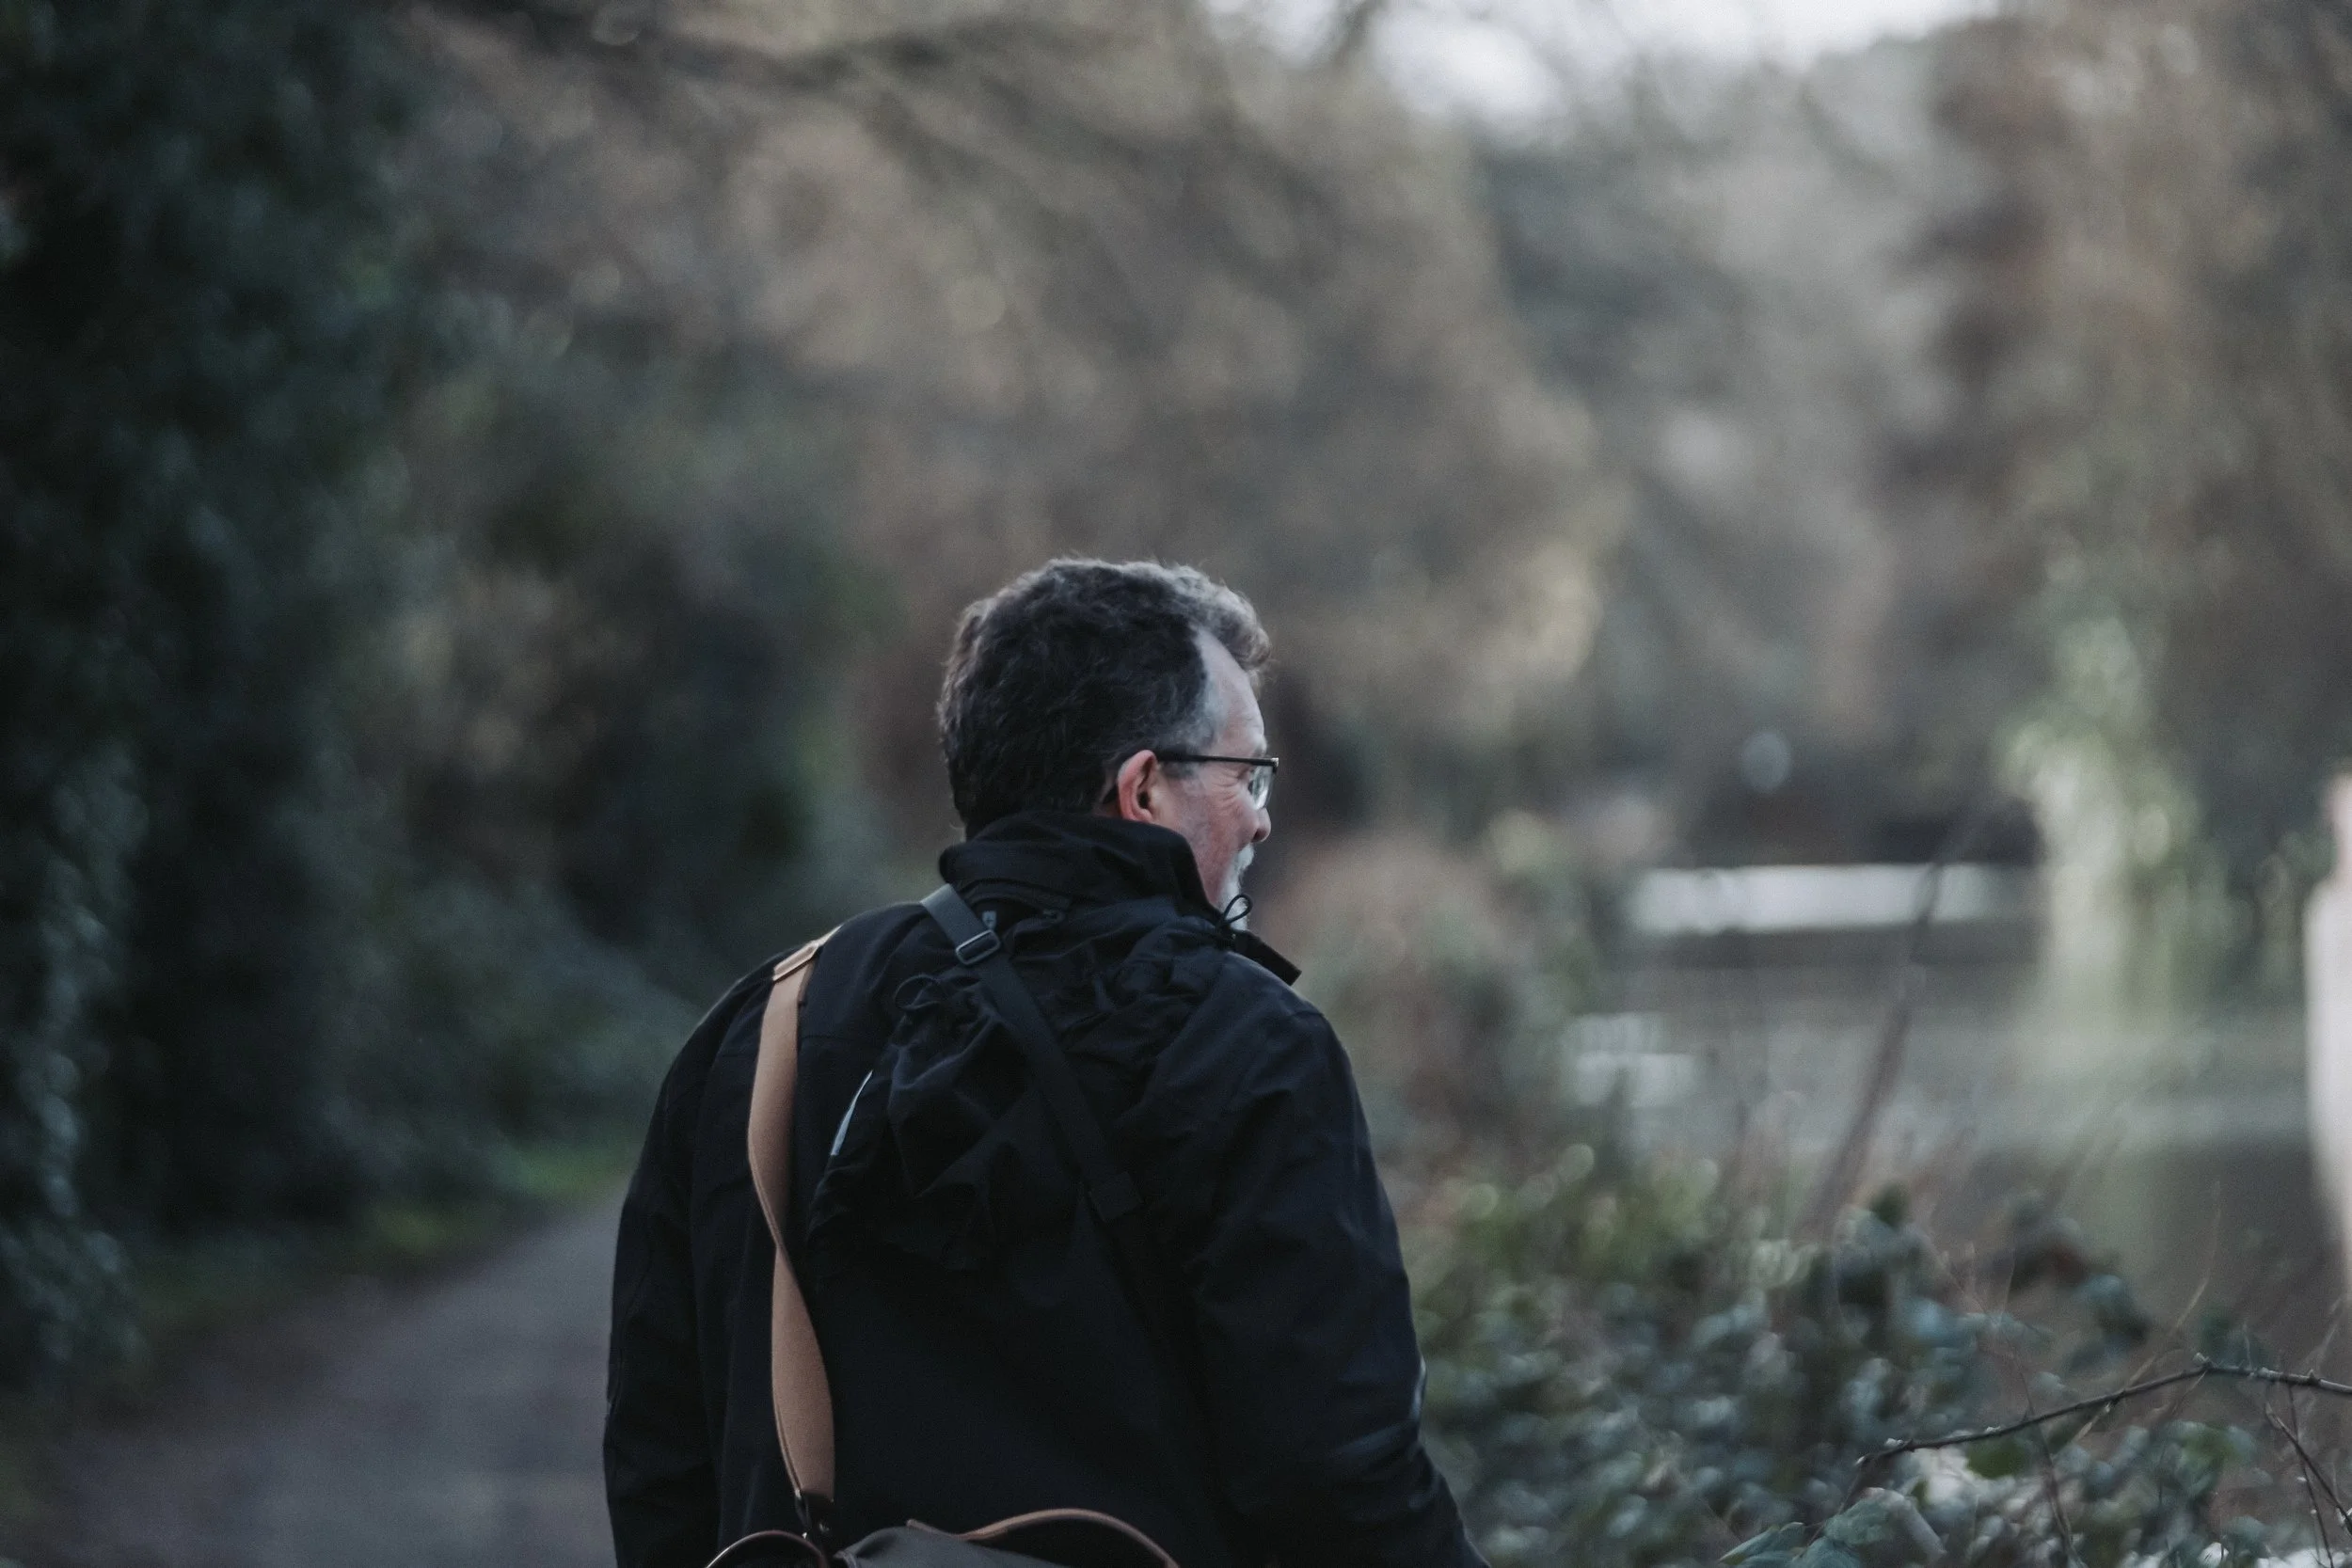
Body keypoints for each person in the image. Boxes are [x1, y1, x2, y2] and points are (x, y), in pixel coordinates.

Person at [604, 559, 1485, 1568]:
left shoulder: (763, 1025)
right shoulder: (1252, 1044)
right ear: (1144, 785)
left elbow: (660, 1453)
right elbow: (1337, 1477)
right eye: (1248, 774)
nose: (1262, 816)